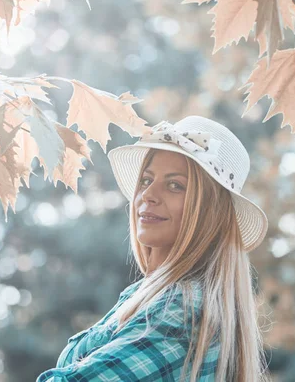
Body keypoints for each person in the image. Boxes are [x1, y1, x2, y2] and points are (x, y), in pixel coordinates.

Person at [36, 115, 270, 382]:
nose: (148, 194)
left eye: (175, 185)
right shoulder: (144, 297)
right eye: (146, 180)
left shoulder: (182, 310)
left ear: (210, 211)